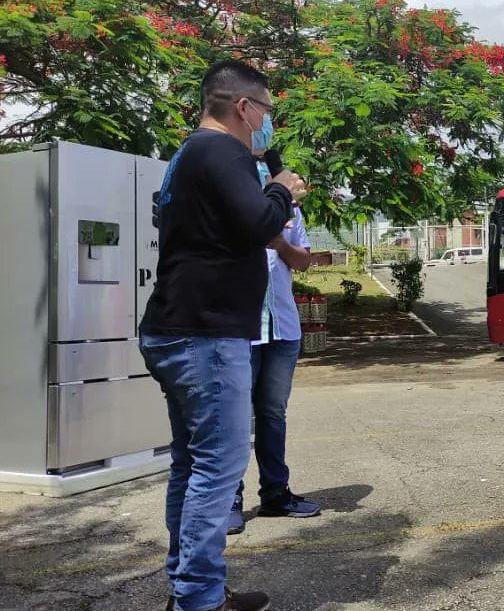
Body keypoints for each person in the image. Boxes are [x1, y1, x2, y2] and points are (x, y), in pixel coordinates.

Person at [140, 59, 306, 611]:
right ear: (243, 107)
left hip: (179, 330)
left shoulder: (189, 155)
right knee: (217, 468)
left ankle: (192, 589)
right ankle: (197, 601)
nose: (268, 124)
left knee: (193, 466)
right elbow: (258, 223)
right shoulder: (223, 151)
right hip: (205, 337)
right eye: (267, 111)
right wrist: (282, 189)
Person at [227, 154, 320, 536]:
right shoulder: (234, 210)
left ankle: (276, 494)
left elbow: (303, 263)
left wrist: (279, 240)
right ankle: (229, 500)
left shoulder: (292, 216)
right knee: (233, 419)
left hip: (283, 330)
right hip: (242, 331)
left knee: (272, 415)